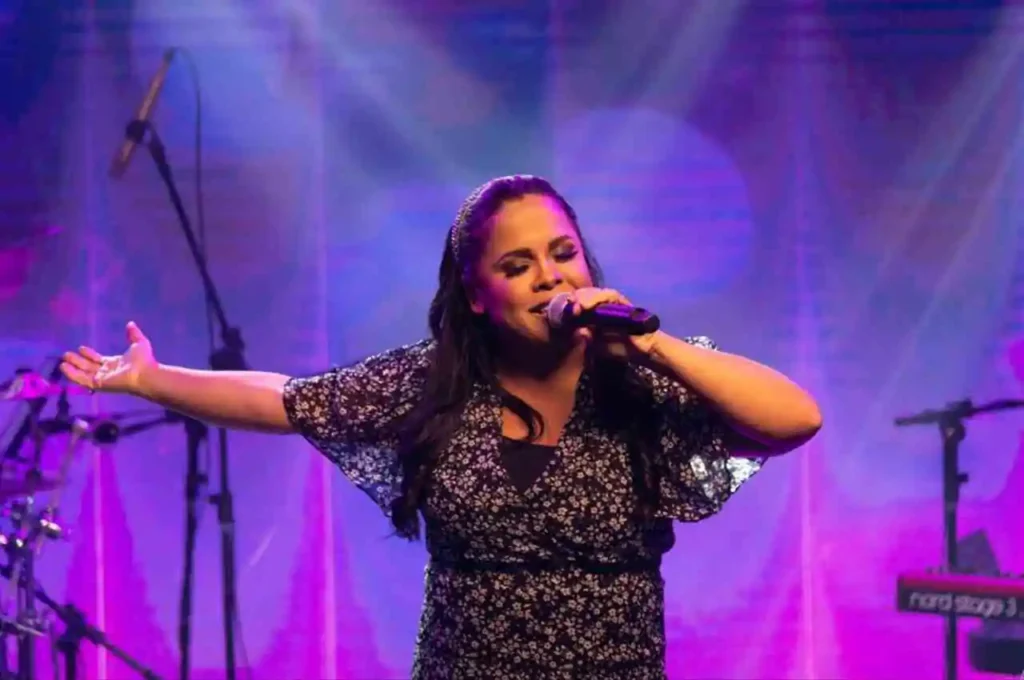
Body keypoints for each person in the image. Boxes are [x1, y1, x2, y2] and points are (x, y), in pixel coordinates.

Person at [60, 175, 822, 679]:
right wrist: (153, 379)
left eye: (564, 254)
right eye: (519, 265)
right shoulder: (431, 384)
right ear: (478, 293)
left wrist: (652, 344)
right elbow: (285, 401)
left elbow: (796, 418)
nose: (552, 276)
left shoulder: (643, 380)